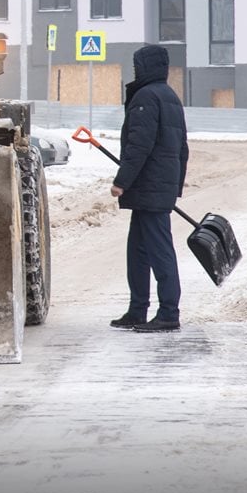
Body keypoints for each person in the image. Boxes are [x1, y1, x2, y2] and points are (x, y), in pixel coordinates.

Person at [109, 44, 189, 333]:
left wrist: (122, 181)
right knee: (139, 252)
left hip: (148, 187)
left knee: (158, 251)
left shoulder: (146, 97)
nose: (135, 71)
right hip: (155, 189)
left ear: (146, 67)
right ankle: (137, 309)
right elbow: (182, 148)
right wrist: (173, 188)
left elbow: (138, 146)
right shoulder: (170, 97)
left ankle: (169, 312)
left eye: (137, 65)